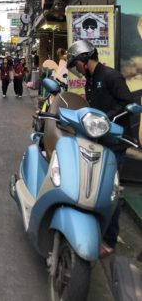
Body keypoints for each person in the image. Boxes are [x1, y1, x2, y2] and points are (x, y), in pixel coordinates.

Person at [66, 39, 134, 258]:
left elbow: (127, 104)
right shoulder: (90, 80)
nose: (75, 68)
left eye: (75, 63)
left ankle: (110, 239)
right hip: (97, 141)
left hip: (115, 143)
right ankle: (93, 225)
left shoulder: (111, 76)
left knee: (110, 190)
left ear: (84, 59)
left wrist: (108, 117)